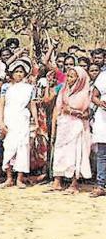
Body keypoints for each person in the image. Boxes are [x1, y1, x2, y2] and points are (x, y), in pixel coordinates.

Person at [51, 66, 92, 194]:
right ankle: (57, 181)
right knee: (60, 152)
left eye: (72, 76)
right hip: (64, 125)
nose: (69, 79)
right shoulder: (63, 90)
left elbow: (87, 114)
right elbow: (58, 109)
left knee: (76, 154)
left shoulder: (86, 92)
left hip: (77, 127)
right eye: (68, 76)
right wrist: (54, 127)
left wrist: (74, 112)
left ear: (79, 78)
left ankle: (74, 183)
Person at [0, 60, 37, 189]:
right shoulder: (6, 87)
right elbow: (1, 105)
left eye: (21, 72)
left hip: (23, 119)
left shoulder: (30, 88)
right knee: (9, 147)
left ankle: (19, 179)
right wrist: (1, 122)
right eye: (16, 72)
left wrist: (36, 121)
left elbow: (32, 105)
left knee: (22, 147)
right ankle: (9, 178)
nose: (19, 74)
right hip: (9, 118)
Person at [91, 65, 106, 197]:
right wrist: (100, 103)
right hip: (103, 118)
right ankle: (101, 185)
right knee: (102, 153)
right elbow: (94, 96)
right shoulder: (103, 76)